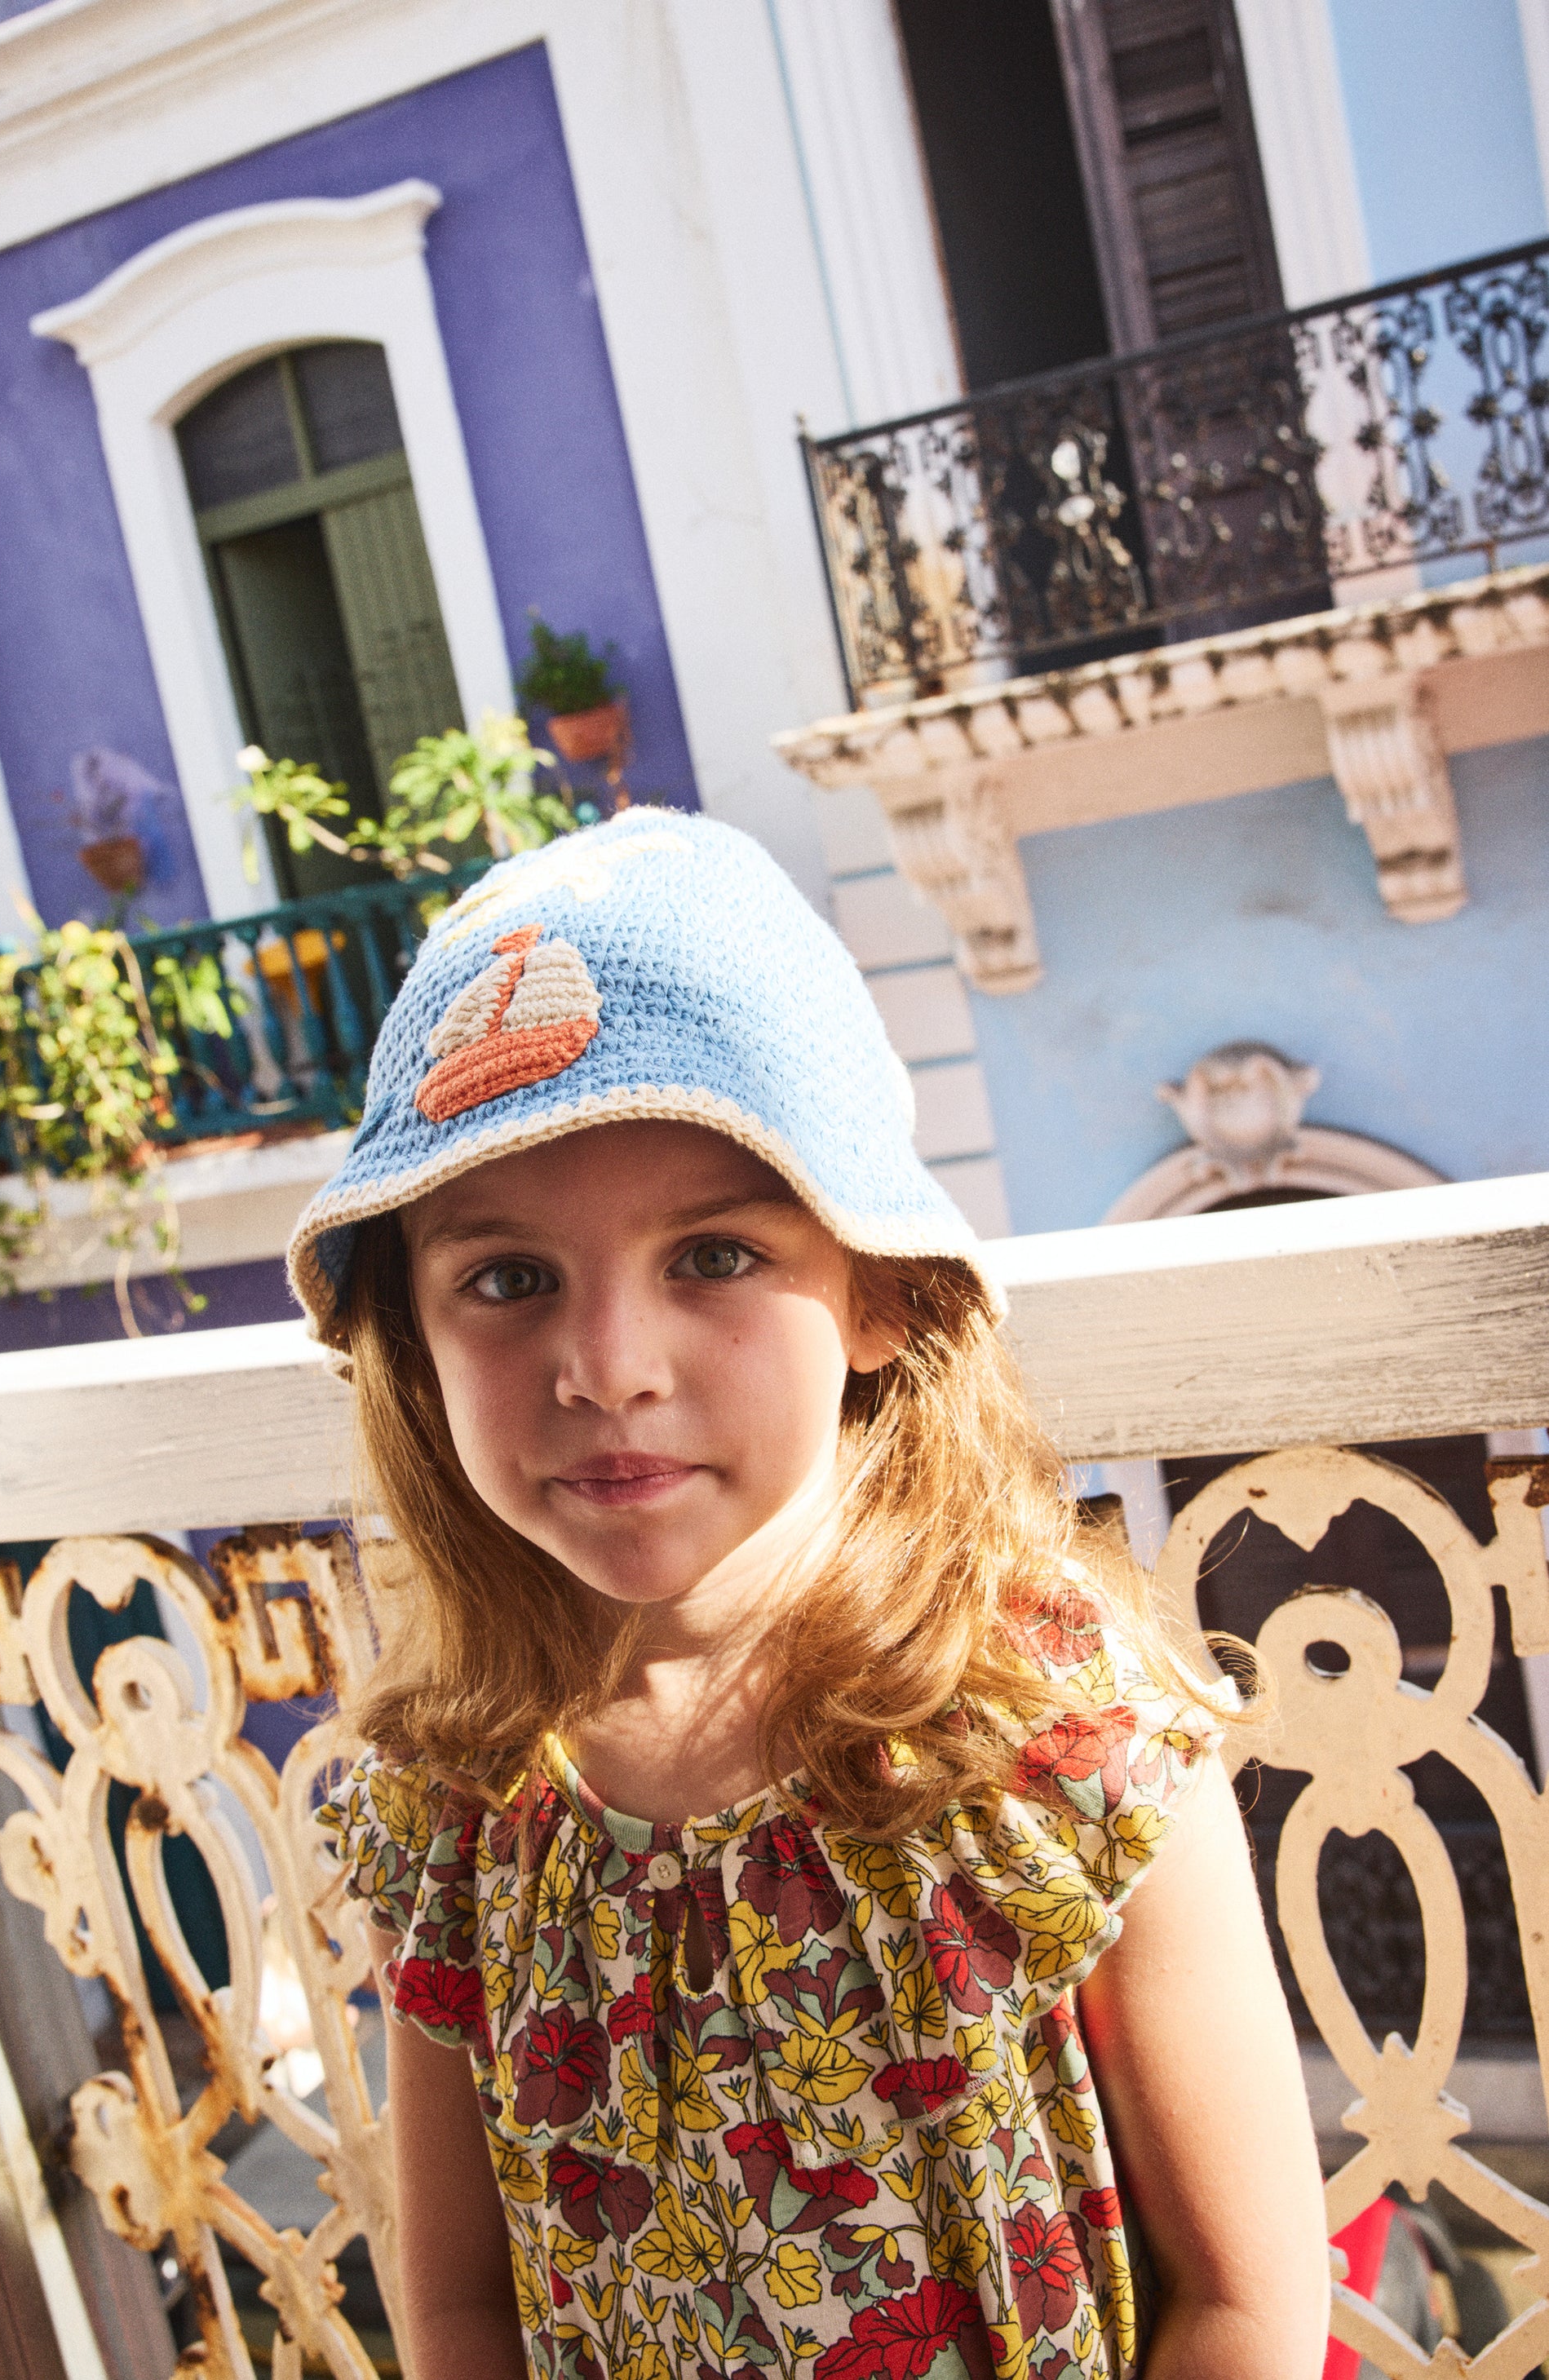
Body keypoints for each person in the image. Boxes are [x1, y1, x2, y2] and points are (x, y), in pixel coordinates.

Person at [290, 808, 1328, 2380]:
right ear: (414, 1351)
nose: (608, 1368)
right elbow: (458, 2307)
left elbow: (1245, 2300)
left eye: (710, 1255)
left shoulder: (1057, 1739)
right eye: (507, 1279)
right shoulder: (453, 1808)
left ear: (881, 1291)